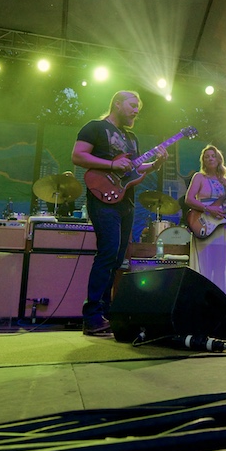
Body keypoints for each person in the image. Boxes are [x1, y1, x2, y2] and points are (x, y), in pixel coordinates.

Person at [72, 91, 166, 336]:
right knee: (107, 253)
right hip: (102, 198)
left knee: (116, 259)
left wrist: (156, 165)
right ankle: (92, 316)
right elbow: (78, 156)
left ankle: (105, 313)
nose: (136, 110)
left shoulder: (131, 138)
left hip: (126, 201)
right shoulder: (95, 127)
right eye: (132, 105)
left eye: (138, 107)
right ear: (117, 103)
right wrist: (112, 164)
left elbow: (134, 168)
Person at [184, 145, 226, 305]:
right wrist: (208, 209)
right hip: (204, 225)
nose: (210, 158)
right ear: (203, 161)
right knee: (205, 270)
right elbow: (189, 199)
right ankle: (202, 307)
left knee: (220, 269)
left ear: (219, 159)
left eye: (213, 155)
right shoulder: (199, 177)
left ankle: (218, 307)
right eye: (206, 156)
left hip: (223, 229)